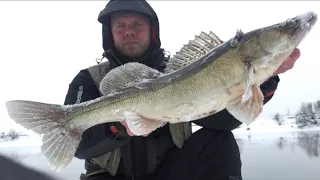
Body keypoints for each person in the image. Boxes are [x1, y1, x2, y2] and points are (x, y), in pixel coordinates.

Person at [63, 0, 301, 180]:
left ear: (153, 31)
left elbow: (222, 122)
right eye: (121, 25)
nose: (130, 31)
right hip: (108, 177)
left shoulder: (183, 71)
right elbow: (80, 147)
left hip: (172, 171)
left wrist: (264, 81)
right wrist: (118, 127)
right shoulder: (88, 79)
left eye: (137, 24)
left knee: (220, 142)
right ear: (109, 34)